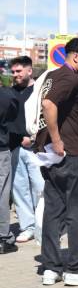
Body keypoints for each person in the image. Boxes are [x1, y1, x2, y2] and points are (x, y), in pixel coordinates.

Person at [35, 38, 78, 286]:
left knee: (53, 211)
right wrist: (57, 139)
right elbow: (48, 104)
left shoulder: (53, 75)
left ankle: (52, 267)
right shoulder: (70, 77)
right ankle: (76, 268)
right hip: (71, 153)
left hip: (55, 157)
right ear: (75, 57)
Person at [8, 56, 44, 243]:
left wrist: (33, 138)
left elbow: (46, 118)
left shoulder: (40, 92)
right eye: (13, 72)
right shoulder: (11, 93)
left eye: (18, 71)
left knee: (40, 188)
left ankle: (44, 227)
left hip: (36, 149)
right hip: (14, 148)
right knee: (19, 189)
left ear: (29, 71)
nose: (15, 75)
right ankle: (27, 226)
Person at [0, 87, 19, 254]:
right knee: (2, 195)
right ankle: (3, 238)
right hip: (1, 150)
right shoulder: (6, 97)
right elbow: (13, 116)